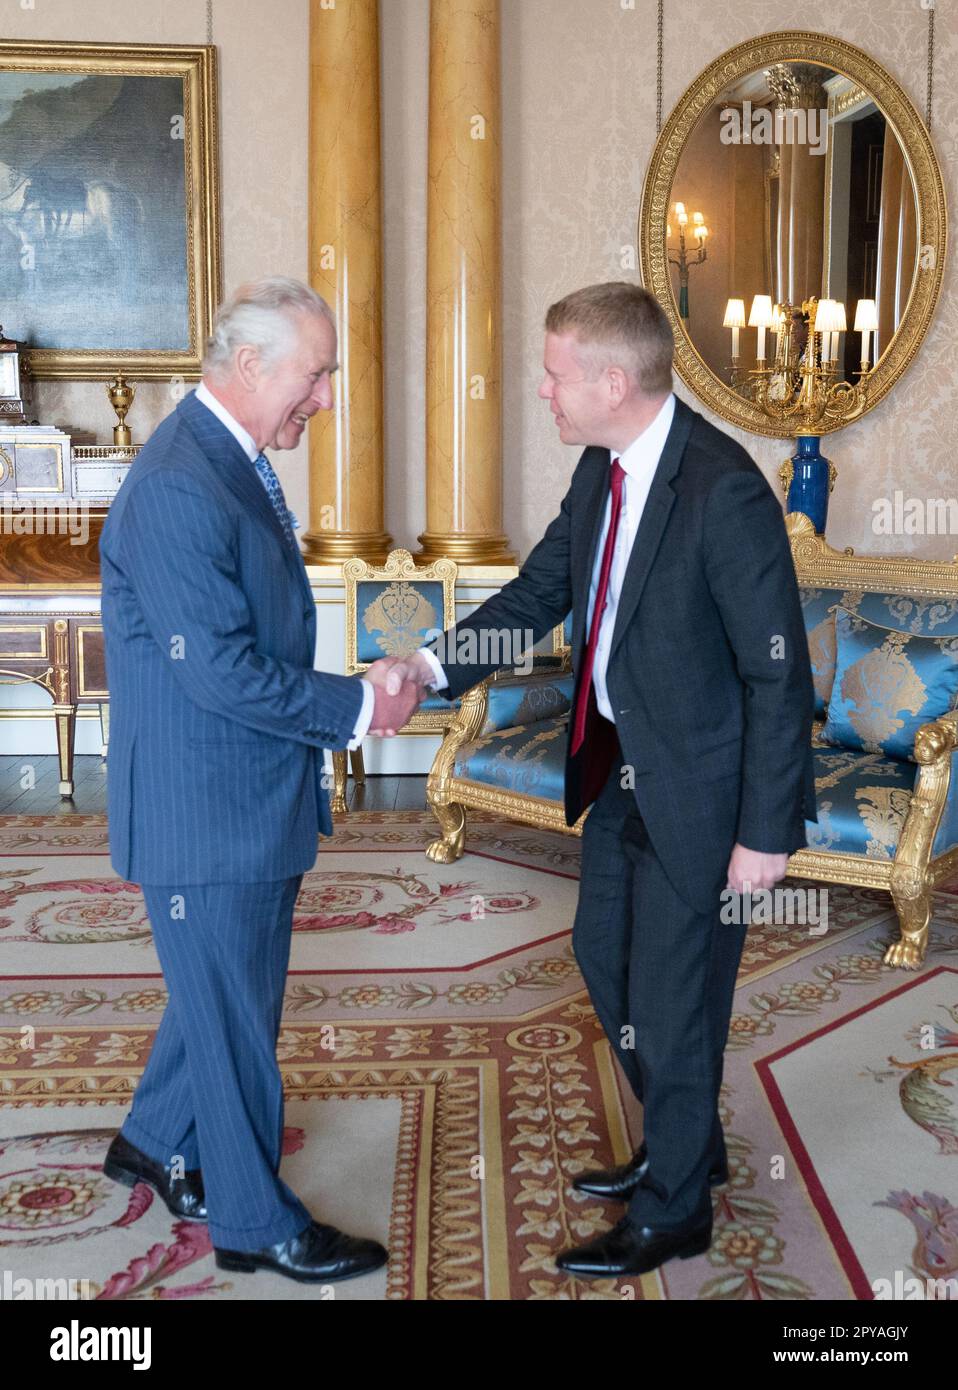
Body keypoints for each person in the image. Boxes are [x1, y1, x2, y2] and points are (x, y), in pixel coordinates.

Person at [369, 281, 817, 1278]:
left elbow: (778, 672)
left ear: (614, 380)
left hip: (703, 789)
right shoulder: (599, 467)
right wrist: (430, 666)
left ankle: (674, 1210)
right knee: (601, 955)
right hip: (617, 767)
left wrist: (765, 832)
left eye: (556, 372)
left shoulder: (722, 489)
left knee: (673, 994)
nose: (542, 389)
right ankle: (680, 1136)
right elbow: (539, 591)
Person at [98, 276, 421, 1284]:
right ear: (248, 367)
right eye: (314, 373)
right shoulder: (180, 484)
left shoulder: (224, 460)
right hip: (205, 811)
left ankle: (154, 1138)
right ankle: (249, 1220)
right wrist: (361, 708)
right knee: (238, 1016)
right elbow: (218, 669)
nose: (323, 395)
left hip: (243, 792)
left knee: (221, 991)